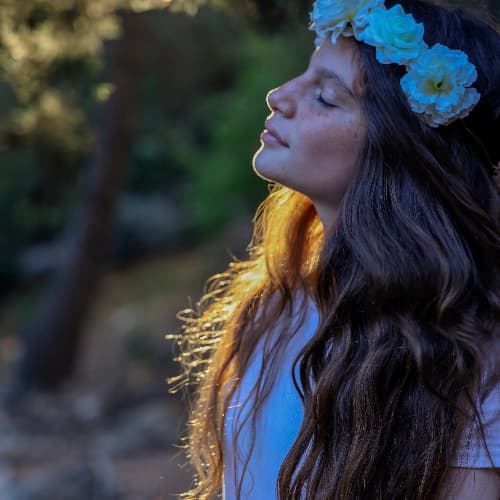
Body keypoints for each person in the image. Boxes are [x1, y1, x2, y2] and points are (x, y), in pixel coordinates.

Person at [169, 0, 500, 498]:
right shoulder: (277, 302)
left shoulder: (470, 348)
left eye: (326, 96)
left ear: (401, 151)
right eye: (303, 76)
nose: (279, 95)